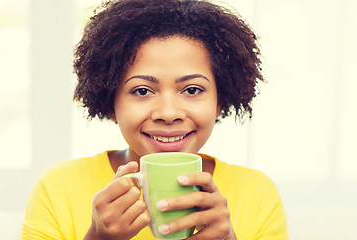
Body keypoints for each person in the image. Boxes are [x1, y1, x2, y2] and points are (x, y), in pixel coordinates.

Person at [22, 0, 288, 239]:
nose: (168, 113)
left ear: (220, 102)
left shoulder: (257, 194)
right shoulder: (58, 189)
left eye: (192, 90)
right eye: (142, 91)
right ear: (110, 103)